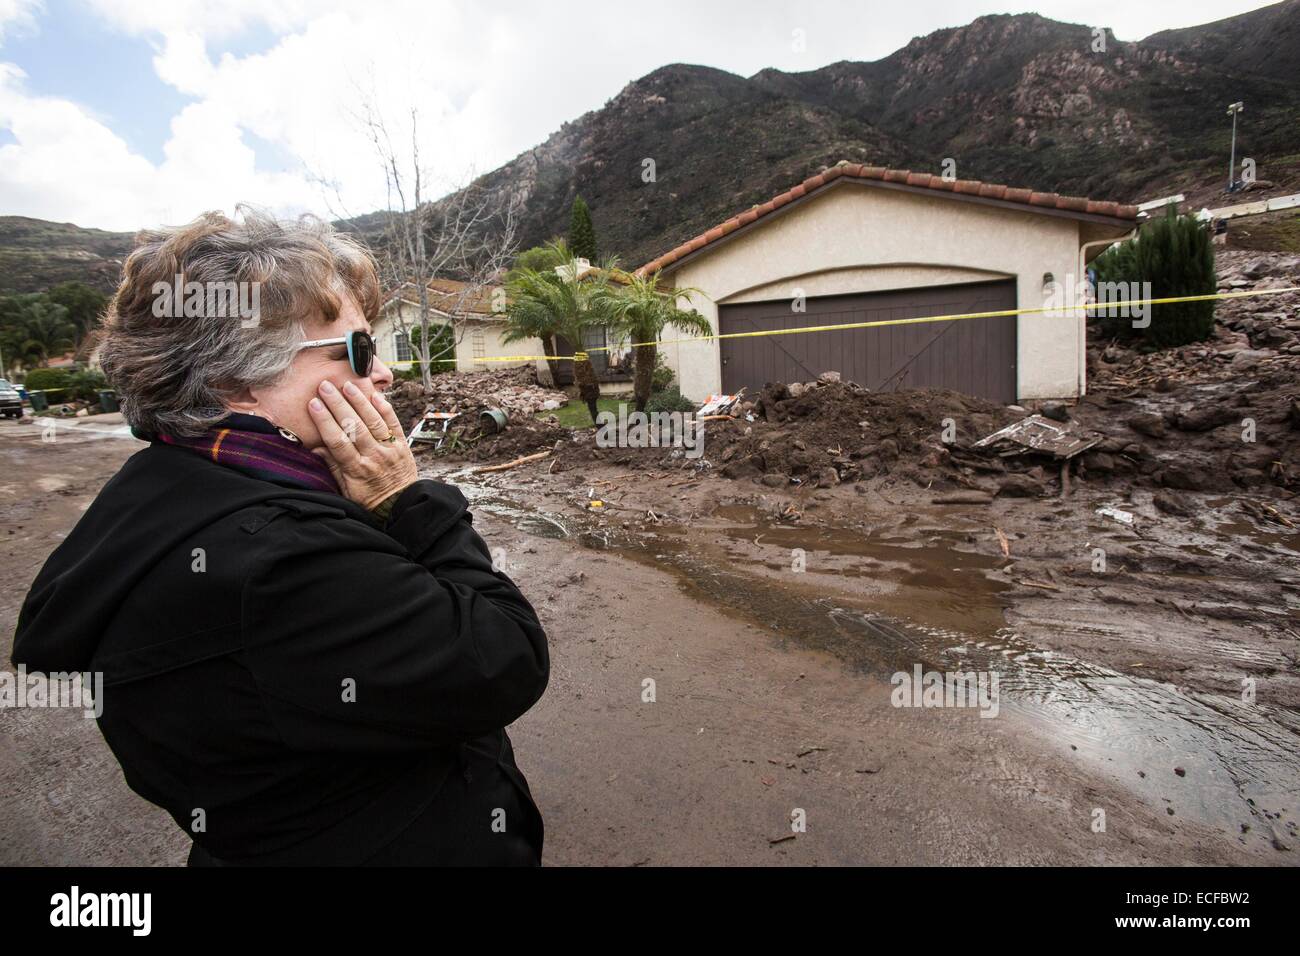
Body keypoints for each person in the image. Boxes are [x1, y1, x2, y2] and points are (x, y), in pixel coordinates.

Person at [12, 208, 550, 865]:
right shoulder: (284, 558)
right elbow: (504, 658)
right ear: (237, 382)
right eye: (357, 349)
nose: (382, 373)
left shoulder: (173, 486)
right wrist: (407, 502)